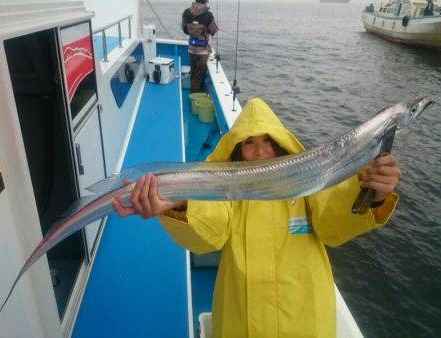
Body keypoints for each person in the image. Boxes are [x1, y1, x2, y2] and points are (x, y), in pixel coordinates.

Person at [113, 98, 401, 337]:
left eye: (267, 141)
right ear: (237, 149)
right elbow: (208, 233)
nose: (261, 150)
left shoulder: (308, 185)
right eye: (249, 142)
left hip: (306, 325)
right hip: (239, 325)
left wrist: (371, 193)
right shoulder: (229, 191)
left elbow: (332, 224)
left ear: (280, 144)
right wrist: (179, 204)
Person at [182, 0, 218, 93]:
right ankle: (194, 95)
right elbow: (213, 31)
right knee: (199, 75)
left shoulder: (186, 12)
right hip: (203, 51)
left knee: (193, 72)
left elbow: (185, 29)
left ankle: (193, 91)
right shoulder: (208, 15)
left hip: (191, 49)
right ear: (206, 1)